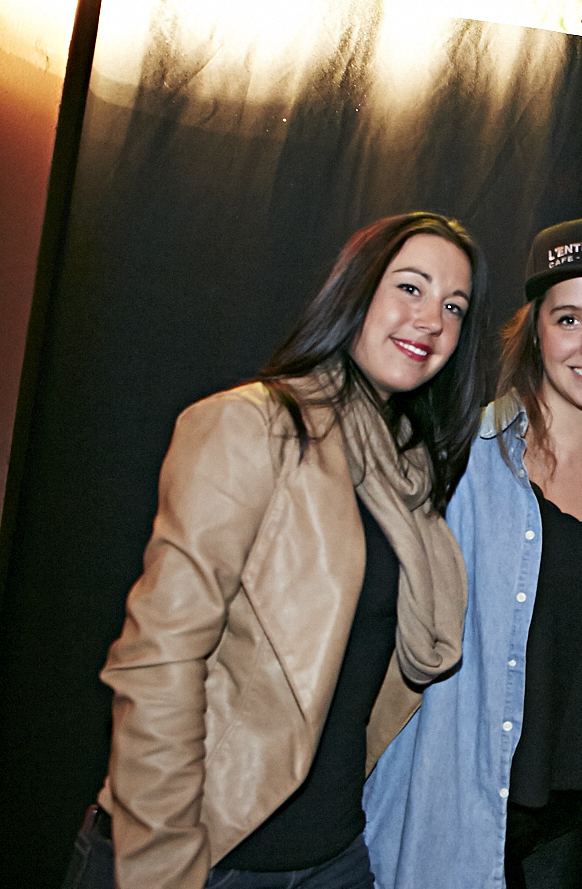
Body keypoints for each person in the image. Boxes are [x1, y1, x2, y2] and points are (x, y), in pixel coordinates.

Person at [66, 212, 488, 889]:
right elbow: (158, 661)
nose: (431, 319)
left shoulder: (406, 475)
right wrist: (166, 862)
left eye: (454, 306)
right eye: (410, 288)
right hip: (206, 853)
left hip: (331, 856)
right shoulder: (252, 425)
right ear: (355, 291)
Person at [363, 218, 582, 889]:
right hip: (456, 822)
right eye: (569, 318)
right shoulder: (460, 459)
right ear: (535, 329)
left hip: (579, 836)